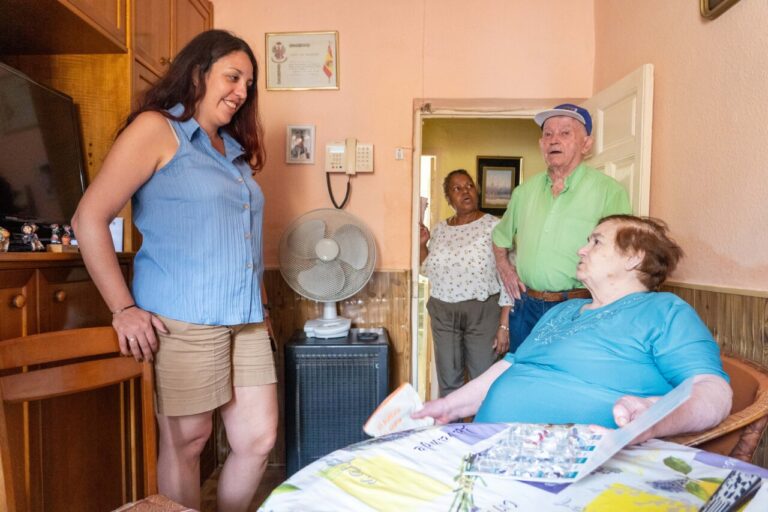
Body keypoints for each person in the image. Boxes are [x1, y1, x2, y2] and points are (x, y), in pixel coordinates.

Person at [72, 30, 274, 512]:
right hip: (183, 316)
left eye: (249, 82)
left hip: (244, 319)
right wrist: (123, 308)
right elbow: (88, 218)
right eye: (232, 76)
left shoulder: (232, 151)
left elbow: (247, 239)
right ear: (198, 73)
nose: (242, 91)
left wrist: (263, 308)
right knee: (188, 442)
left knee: (259, 439)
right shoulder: (156, 130)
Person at [415, 215, 732, 444]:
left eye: (596, 241)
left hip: (571, 468)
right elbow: (508, 369)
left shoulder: (663, 311)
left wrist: (653, 415)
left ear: (634, 258)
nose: (582, 249)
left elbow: (713, 391)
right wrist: (447, 406)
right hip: (489, 448)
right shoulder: (563, 310)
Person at [493, 104, 631, 352]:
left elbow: (621, 257)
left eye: (565, 133)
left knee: (567, 384)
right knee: (523, 380)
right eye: (548, 134)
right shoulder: (524, 192)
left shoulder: (609, 191)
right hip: (526, 307)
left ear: (586, 144)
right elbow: (499, 238)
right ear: (540, 144)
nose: (554, 140)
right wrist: (506, 270)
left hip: (578, 306)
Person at [420, 169, 512, 397]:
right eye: (457, 189)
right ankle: (452, 430)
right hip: (443, 311)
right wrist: (423, 244)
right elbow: (428, 269)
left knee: (484, 378)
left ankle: (482, 431)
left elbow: (509, 275)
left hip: (482, 311)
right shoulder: (441, 229)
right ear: (449, 199)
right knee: (449, 380)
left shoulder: (495, 226)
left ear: (477, 189)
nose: (465, 192)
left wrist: (504, 324)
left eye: (469, 186)